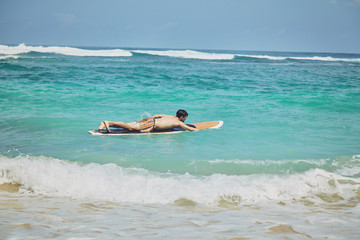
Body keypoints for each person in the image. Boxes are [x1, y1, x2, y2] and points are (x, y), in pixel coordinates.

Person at [97, 109, 199, 133]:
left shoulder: (170, 116)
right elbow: (189, 129)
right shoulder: (178, 122)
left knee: (127, 125)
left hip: (150, 120)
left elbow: (157, 115)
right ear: (182, 117)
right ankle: (109, 122)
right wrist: (199, 130)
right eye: (185, 118)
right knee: (129, 128)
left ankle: (105, 124)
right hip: (151, 123)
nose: (185, 120)